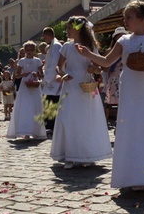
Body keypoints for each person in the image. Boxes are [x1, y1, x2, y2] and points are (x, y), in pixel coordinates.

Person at [77, 0, 144, 190]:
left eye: (129, 17)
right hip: (131, 90)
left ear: (143, 19)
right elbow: (106, 61)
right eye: (125, 17)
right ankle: (134, 176)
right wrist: (88, 54)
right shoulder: (123, 41)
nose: (125, 21)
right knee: (132, 130)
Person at [50, 16, 112, 169]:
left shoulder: (90, 47)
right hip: (70, 84)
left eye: (70, 27)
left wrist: (93, 69)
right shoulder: (66, 47)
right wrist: (61, 75)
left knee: (86, 120)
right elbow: (59, 66)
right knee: (69, 118)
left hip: (86, 86)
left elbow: (98, 67)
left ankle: (86, 154)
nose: (68, 30)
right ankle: (70, 155)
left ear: (78, 29)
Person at [6, 41, 47, 140]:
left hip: (35, 85)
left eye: (31, 50)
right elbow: (17, 75)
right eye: (27, 50)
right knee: (25, 107)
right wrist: (23, 75)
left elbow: (42, 75)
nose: (29, 52)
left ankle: (36, 130)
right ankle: (25, 131)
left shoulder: (37, 61)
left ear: (34, 50)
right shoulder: (22, 61)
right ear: (24, 51)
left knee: (35, 107)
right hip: (25, 86)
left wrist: (37, 75)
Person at [103, 27, 128, 128]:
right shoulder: (110, 51)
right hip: (115, 78)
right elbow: (105, 67)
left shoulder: (129, 48)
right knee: (117, 102)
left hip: (126, 76)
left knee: (125, 101)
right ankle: (118, 123)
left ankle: (122, 123)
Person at [41, 27, 63, 132]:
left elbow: (55, 63)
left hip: (54, 78)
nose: (44, 38)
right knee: (48, 99)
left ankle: (52, 124)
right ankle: (48, 123)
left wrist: (47, 76)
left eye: (45, 36)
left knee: (52, 100)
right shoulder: (52, 46)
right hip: (50, 77)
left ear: (48, 35)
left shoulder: (56, 46)